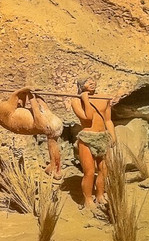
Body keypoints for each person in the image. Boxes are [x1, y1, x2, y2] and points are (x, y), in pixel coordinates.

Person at [68, 79, 118, 210]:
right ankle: (88, 198)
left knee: (104, 169)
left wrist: (112, 135)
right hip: (87, 138)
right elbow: (88, 117)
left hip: (102, 136)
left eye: (93, 81)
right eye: (87, 81)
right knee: (89, 172)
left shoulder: (104, 99)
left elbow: (108, 120)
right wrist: (85, 99)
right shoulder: (76, 101)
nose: (92, 83)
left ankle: (100, 195)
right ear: (80, 85)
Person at [0, 88, 64, 179]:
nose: (19, 103)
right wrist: (29, 93)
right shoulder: (3, 109)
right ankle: (56, 169)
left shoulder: (7, 115)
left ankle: (55, 168)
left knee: (52, 141)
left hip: (47, 126)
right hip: (47, 125)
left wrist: (31, 94)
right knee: (39, 111)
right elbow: (15, 95)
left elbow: (18, 98)